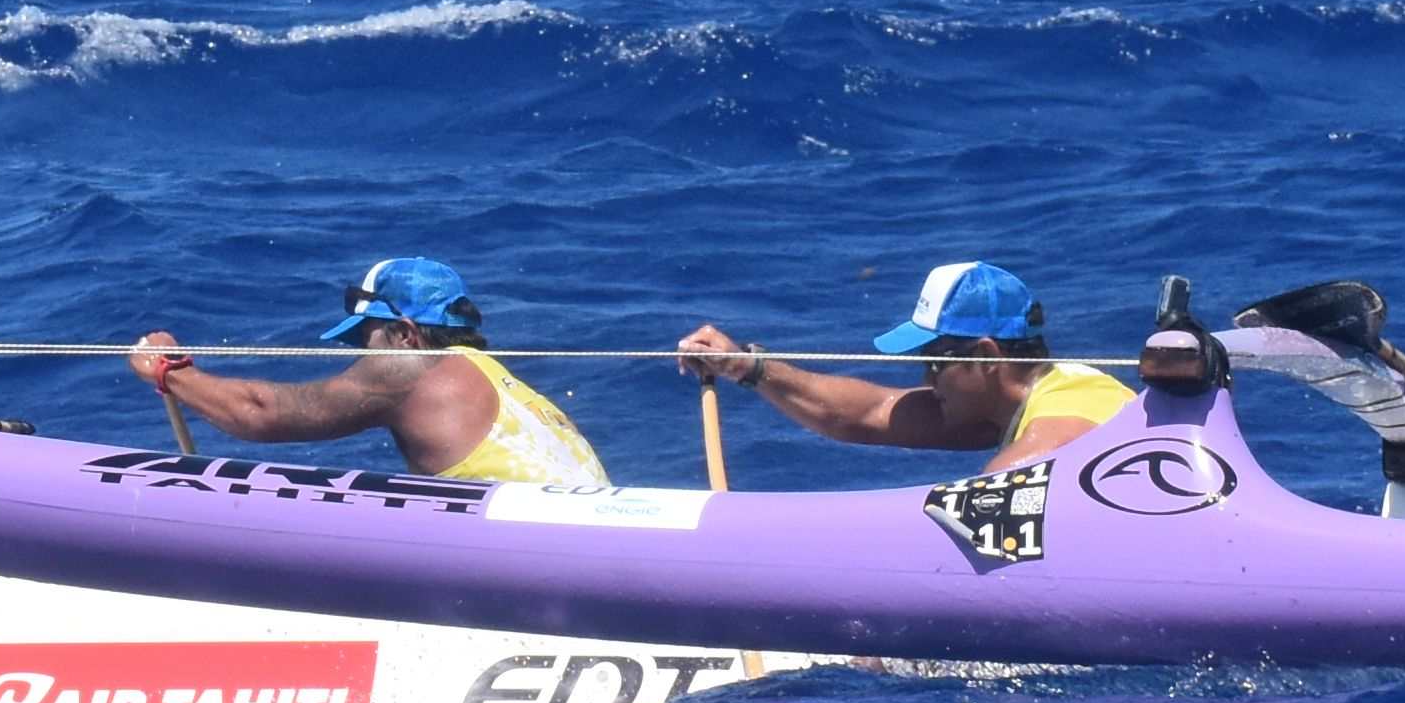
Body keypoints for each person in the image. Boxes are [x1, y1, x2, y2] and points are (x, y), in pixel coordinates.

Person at [126, 255, 611, 489]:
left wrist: (171, 372)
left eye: (366, 337)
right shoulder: (503, 383)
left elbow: (263, 413)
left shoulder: (414, 370)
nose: (362, 354)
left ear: (403, 334)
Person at [679, 259, 1137, 473]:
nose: (926, 379)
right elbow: (865, 415)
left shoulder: (1067, 420)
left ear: (987, 358)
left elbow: (988, 509)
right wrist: (748, 367)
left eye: (935, 363)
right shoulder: (1012, 407)